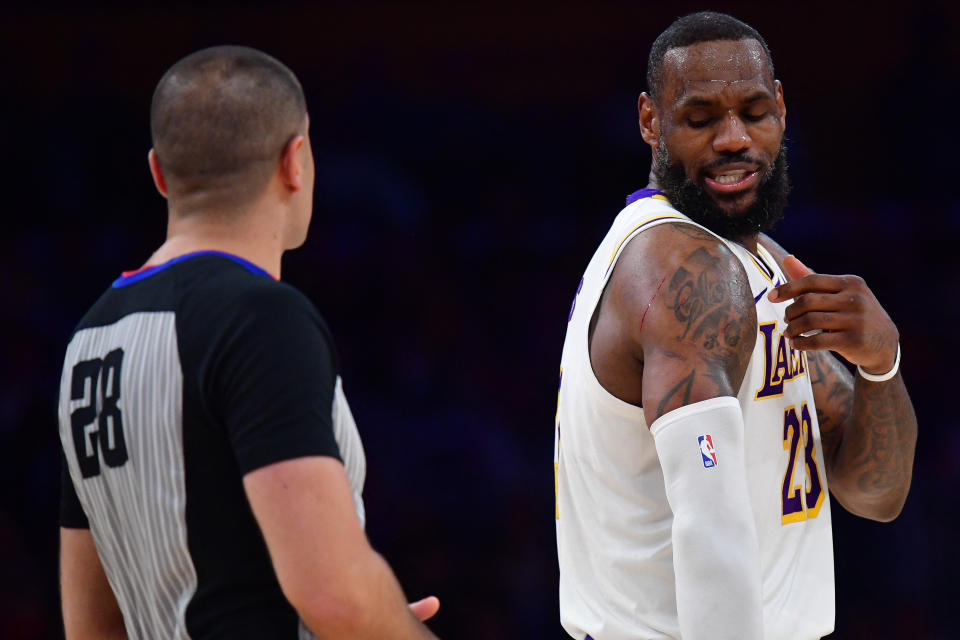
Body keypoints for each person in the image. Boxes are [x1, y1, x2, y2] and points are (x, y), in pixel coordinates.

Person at [553, 12, 917, 640]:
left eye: (753, 112)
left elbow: (875, 494)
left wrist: (881, 363)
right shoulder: (679, 269)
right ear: (649, 122)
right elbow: (709, 529)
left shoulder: (756, 261)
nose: (732, 139)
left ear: (780, 107)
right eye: (700, 119)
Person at [57, 46, 440, 639]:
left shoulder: (88, 341)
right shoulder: (262, 318)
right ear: (296, 160)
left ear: (159, 173)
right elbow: (333, 595)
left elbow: (89, 626)